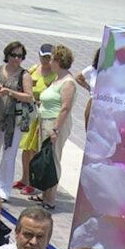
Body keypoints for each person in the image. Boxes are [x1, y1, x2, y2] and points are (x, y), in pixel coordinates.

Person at [0, 40, 34, 201]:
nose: (16, 59)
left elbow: (29, 96)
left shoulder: (24, 75)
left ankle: (3, 190)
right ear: (7, 55)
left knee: (9, 156)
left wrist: (10, 92)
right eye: (13, 55)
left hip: (14, 121)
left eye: (20, 56)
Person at [33, 43, 76, 211]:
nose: (49, 62)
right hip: (45, 120)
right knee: (45, 158)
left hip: (56, 123)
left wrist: (56, 129)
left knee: (53, 159)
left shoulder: (68, 82)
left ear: (58, 60)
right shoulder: (57, 79)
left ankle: (50, 198)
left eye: (51, 59)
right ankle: (44, 193)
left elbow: (65, 107)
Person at [15, 44, 57, 194]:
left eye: (48, 57)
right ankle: (24, 178)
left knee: (34, 150)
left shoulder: (54, 75)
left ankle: (33, 182)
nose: (45, 60)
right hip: (29, 113)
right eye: (43, 56)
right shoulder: (34, 68)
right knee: (25, 149)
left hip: (41, 114)